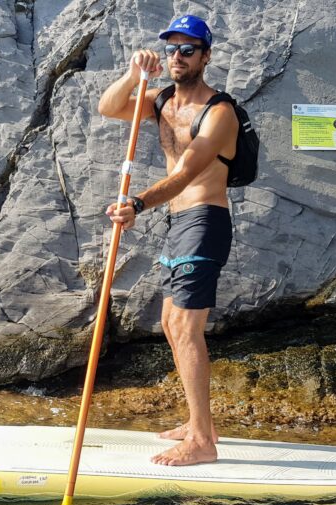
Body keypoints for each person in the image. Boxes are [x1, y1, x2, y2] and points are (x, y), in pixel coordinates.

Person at [97, 15, 237, 466]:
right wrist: (133, 74)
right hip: (179, 224)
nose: (178, 57)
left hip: (205, 220)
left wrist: (137, 204)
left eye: (188, 49)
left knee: (185, 328)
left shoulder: (219, 112)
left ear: (206, 56)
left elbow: (186, 173)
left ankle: (202, 444)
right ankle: (202, 425)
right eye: (172, 49)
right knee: (171, 326)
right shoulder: (161, 102)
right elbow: (109, 107)